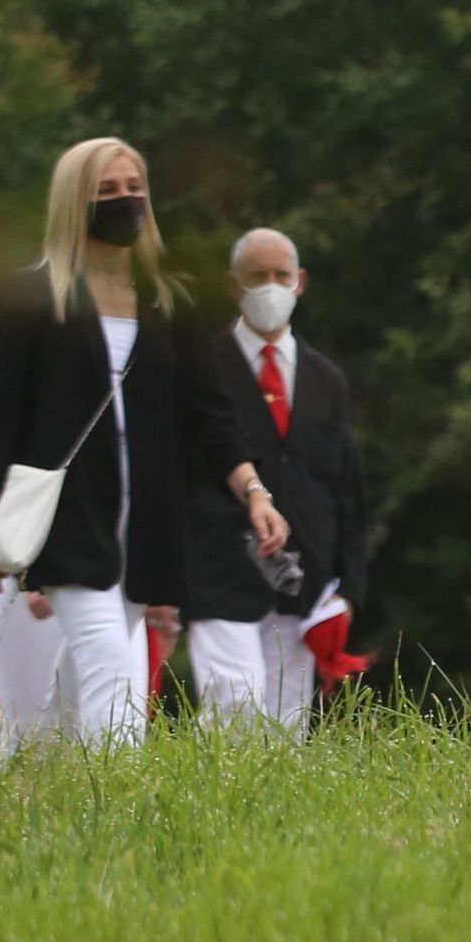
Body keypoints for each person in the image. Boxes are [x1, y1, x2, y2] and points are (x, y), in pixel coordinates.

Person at [0, 141, 277, 753]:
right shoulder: (36, 298)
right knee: (111, 660)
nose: (125, 201)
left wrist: (255, 493)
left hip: (146, 523)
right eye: (106, 191)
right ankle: (119, 793)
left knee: (86, 673)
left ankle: (25, 771)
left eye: (134, 188)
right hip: (69, 517)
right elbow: (1, 424)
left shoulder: (169, 301)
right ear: (73, 204)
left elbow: (213, 417)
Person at [176, 228, 375, 730]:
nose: (270, 286)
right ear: (232, 285)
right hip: (218, 566)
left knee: (288, 721)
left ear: (300, 282)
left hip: (303, 576)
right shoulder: (202, 368)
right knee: (234, 704)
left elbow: (345, 488)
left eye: (281, 275)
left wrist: (349, 585)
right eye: (257, 276)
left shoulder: (325, 379)